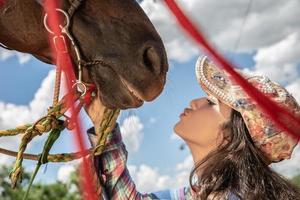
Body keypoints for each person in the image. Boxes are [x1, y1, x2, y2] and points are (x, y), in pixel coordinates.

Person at [85, 56, 300, 200]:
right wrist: (105, 126)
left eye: (212, 103)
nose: (195, 102)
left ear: (229, 135)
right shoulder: (198, 194)